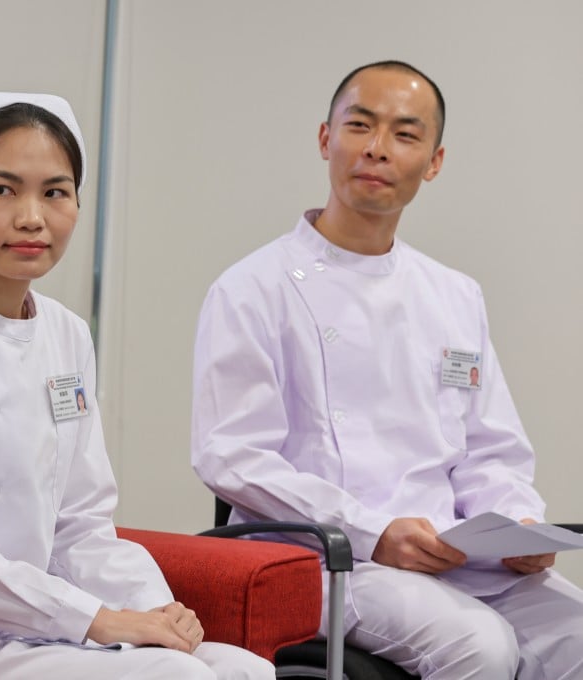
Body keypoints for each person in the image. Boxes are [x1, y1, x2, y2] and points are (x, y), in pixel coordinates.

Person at [0, 90, 274, 679]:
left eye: (55, 192)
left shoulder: (66, 334)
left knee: (242, 670)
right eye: (2, 189)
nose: (31, 217)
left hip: (37, 625)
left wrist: (154, 611)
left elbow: (81, 521)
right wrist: (97, 619)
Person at [191, 60, 583, 679]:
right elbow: (230, 456)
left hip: (455, 555)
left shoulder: (454, 294)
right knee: (480, 648)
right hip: (325, 560)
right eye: (360, 126)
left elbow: (490, 450)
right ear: (326, 139)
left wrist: (518, 527)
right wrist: (373, 532)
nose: (377, 150)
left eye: (404, 134)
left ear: (434, 161)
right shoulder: (252, 288)